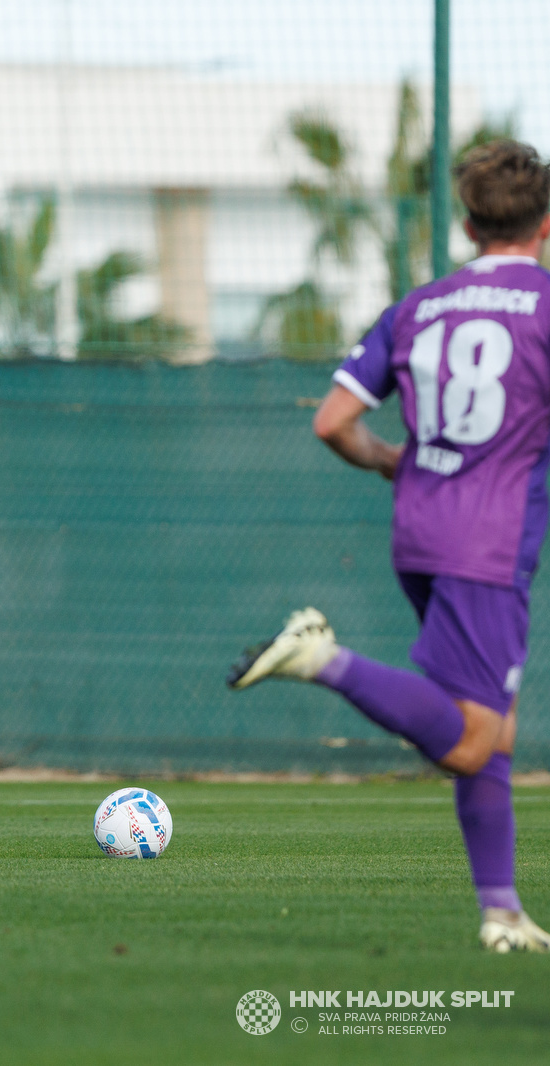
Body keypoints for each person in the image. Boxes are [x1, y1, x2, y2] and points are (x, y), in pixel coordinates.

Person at [229, 140, 550, 952]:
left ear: (470, 222)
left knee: (492, 728)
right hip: (489, 540)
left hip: (418, 527)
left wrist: (387, 461)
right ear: (545, 223)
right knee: (473, 737)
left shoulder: (420, 307)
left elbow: (333, 421)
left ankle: (501, 910)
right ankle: (317, 658)